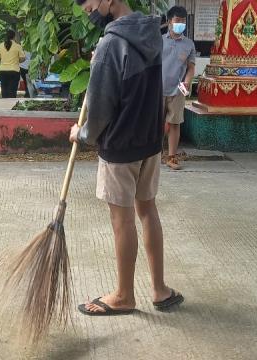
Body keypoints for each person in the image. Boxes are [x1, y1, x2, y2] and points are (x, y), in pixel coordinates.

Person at [70, 0, 183, 316]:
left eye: (89, 3)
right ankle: (160, 290)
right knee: (147, 210)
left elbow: (101, 110)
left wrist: (81, 134)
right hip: (149, 142)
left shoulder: (110, 44)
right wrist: (102, 62)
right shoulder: (151, 32)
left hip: (120, 147)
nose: (87, 11)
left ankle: (123, 296)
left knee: (122, 221)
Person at [162, 6, 196, 170]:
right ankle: (151, 157)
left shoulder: (189, 44)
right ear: (169, 21)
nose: (180, 24)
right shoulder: (159, 41)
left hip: (178, 91)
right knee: (155, 124)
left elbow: (190, 68)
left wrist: (187, 82)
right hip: (157, 90)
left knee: (175, 123)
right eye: (177, 20)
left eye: (183, 21)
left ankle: (171, 158)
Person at [0, 29, 25, 98]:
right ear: (14, 37)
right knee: (12, 91)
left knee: (4, 90)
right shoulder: (18, 46)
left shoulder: (1, 45)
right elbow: (23, 58)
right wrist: (17, 61)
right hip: (14, 71)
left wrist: (4, 60)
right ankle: (11, 106)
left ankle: (4, 106)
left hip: (2, 71)